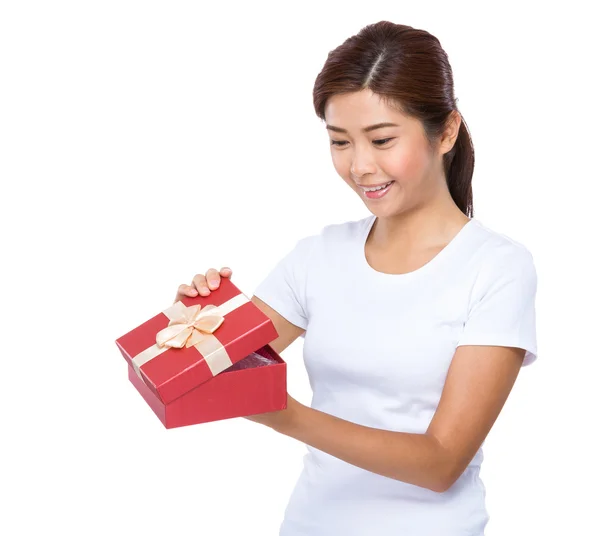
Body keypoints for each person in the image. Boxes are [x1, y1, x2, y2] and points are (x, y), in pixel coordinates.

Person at [174, 21, 538, 536]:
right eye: (340, 141)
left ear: (447, 131)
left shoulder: (497, 268)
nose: (361, 165)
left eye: (382, 139)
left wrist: (282, 413)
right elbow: (209, 374)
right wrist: (194, 326)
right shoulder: (318, 256)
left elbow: (440, 463)